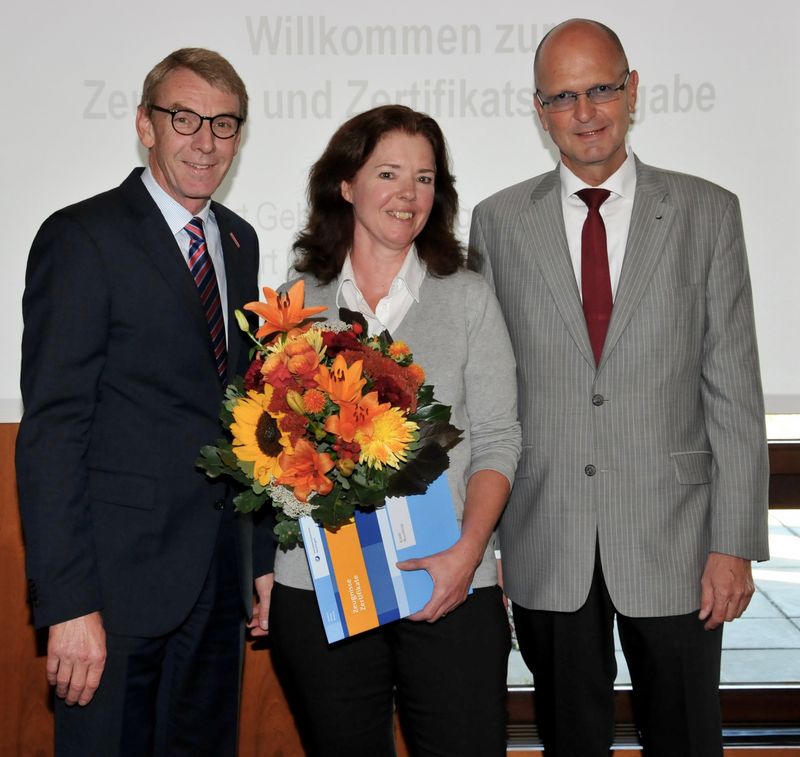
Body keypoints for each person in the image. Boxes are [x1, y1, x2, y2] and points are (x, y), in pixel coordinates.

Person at [469, 18, 769, 757]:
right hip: (546, 536)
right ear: (540, 110)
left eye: (601, 88)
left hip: (679, 542)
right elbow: (487, 398)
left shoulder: (707, 212)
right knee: (570, 740)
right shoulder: (498, 222)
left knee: (686, 737)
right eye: (562, 97)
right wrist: (485, 543)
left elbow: (733, 391)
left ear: (633, 90)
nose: (585, 112)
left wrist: (734, 543)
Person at [16, 48, 274, 757]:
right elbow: (53, 431)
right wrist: (68, 603)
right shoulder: (83, 237)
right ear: (145, 125)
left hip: (216, 585)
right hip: (114, 591)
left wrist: (257, 559)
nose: (206, 141)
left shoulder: (239, 240)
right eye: (184, 118)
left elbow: (240, 414)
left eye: (224, 123)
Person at [262, 104, 521, 757]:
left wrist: (469, 554)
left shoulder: (468, 297)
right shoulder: (296, 301)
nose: (409, 193)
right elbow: (268, 448)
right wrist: (263, 569)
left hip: (448, 580)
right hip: (323, 588)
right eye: (389, 173)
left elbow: (498, 439)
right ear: (345, 185)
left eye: (424, 178)